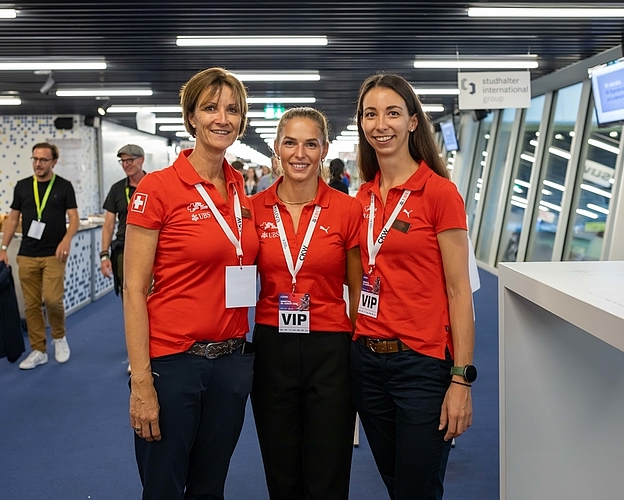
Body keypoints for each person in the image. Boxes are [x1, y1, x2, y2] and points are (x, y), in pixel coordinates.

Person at [123, 67, 258, 500]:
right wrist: (142, 380)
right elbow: (134, 290)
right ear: (192, 118)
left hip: (231, 363)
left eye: (233, 109)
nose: (223, 118)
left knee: (209, 486)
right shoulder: (157, 188)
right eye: (210, 108)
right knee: (163, 487)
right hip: (174, 364)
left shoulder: (240, 189)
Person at [350, 73, 475, 500]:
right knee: (395, 483)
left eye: (392, 113)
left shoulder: (440, 194)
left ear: (412, 122)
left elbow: (459, 292)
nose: (380, 124)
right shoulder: (362, 198)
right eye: (370, 114)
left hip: (422, 365)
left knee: (417, 489)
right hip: (366, 364)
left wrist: (461, 380)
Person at [251, 107, 363, 500]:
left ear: (324, 149)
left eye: (310, 144)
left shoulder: (348, 210)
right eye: (290, 142)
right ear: (277, 149)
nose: (300, 153)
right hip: (271, 346)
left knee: (328, 468)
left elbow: (357, 288)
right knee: (280, 468)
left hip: (330, 348)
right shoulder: (252, 210)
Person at [0, 142, 79, 370]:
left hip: (54, 254)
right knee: (32, 305)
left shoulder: (63, 186)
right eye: (34, 159)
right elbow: (13, 219)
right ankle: (38, 349)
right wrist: (3, 249)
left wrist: (66, 240)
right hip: (27, 254)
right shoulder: (23, 186)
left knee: (53, 300)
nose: (38, 164)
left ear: (53, 162)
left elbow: (74, 219)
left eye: (43, 160)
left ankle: (59, 337)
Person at [100, 144, 147, 297]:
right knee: (129, 295)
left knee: (152, 295)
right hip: (124, 249)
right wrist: (104, 255)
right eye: (123, 161)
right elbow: (108, 225)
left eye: (130, 160)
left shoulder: (154, 185)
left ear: (141, 160)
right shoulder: (117, 189)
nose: (126, 165)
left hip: (151, 248)